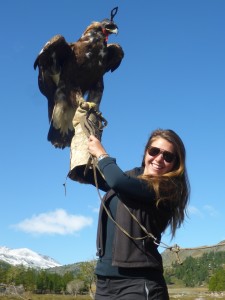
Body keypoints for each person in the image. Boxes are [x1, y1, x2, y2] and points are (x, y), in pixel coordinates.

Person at [85, 128, 190, 300]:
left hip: (139, 284)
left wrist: (101, 154)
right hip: (105, 283)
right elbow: (96, 176)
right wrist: (82, 138)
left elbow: (118, 181)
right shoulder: (131, 177)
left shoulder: (168, 188)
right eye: (154, 151)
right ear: (146, 151)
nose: (159, 159)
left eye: (168, 156)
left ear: (175, 164)